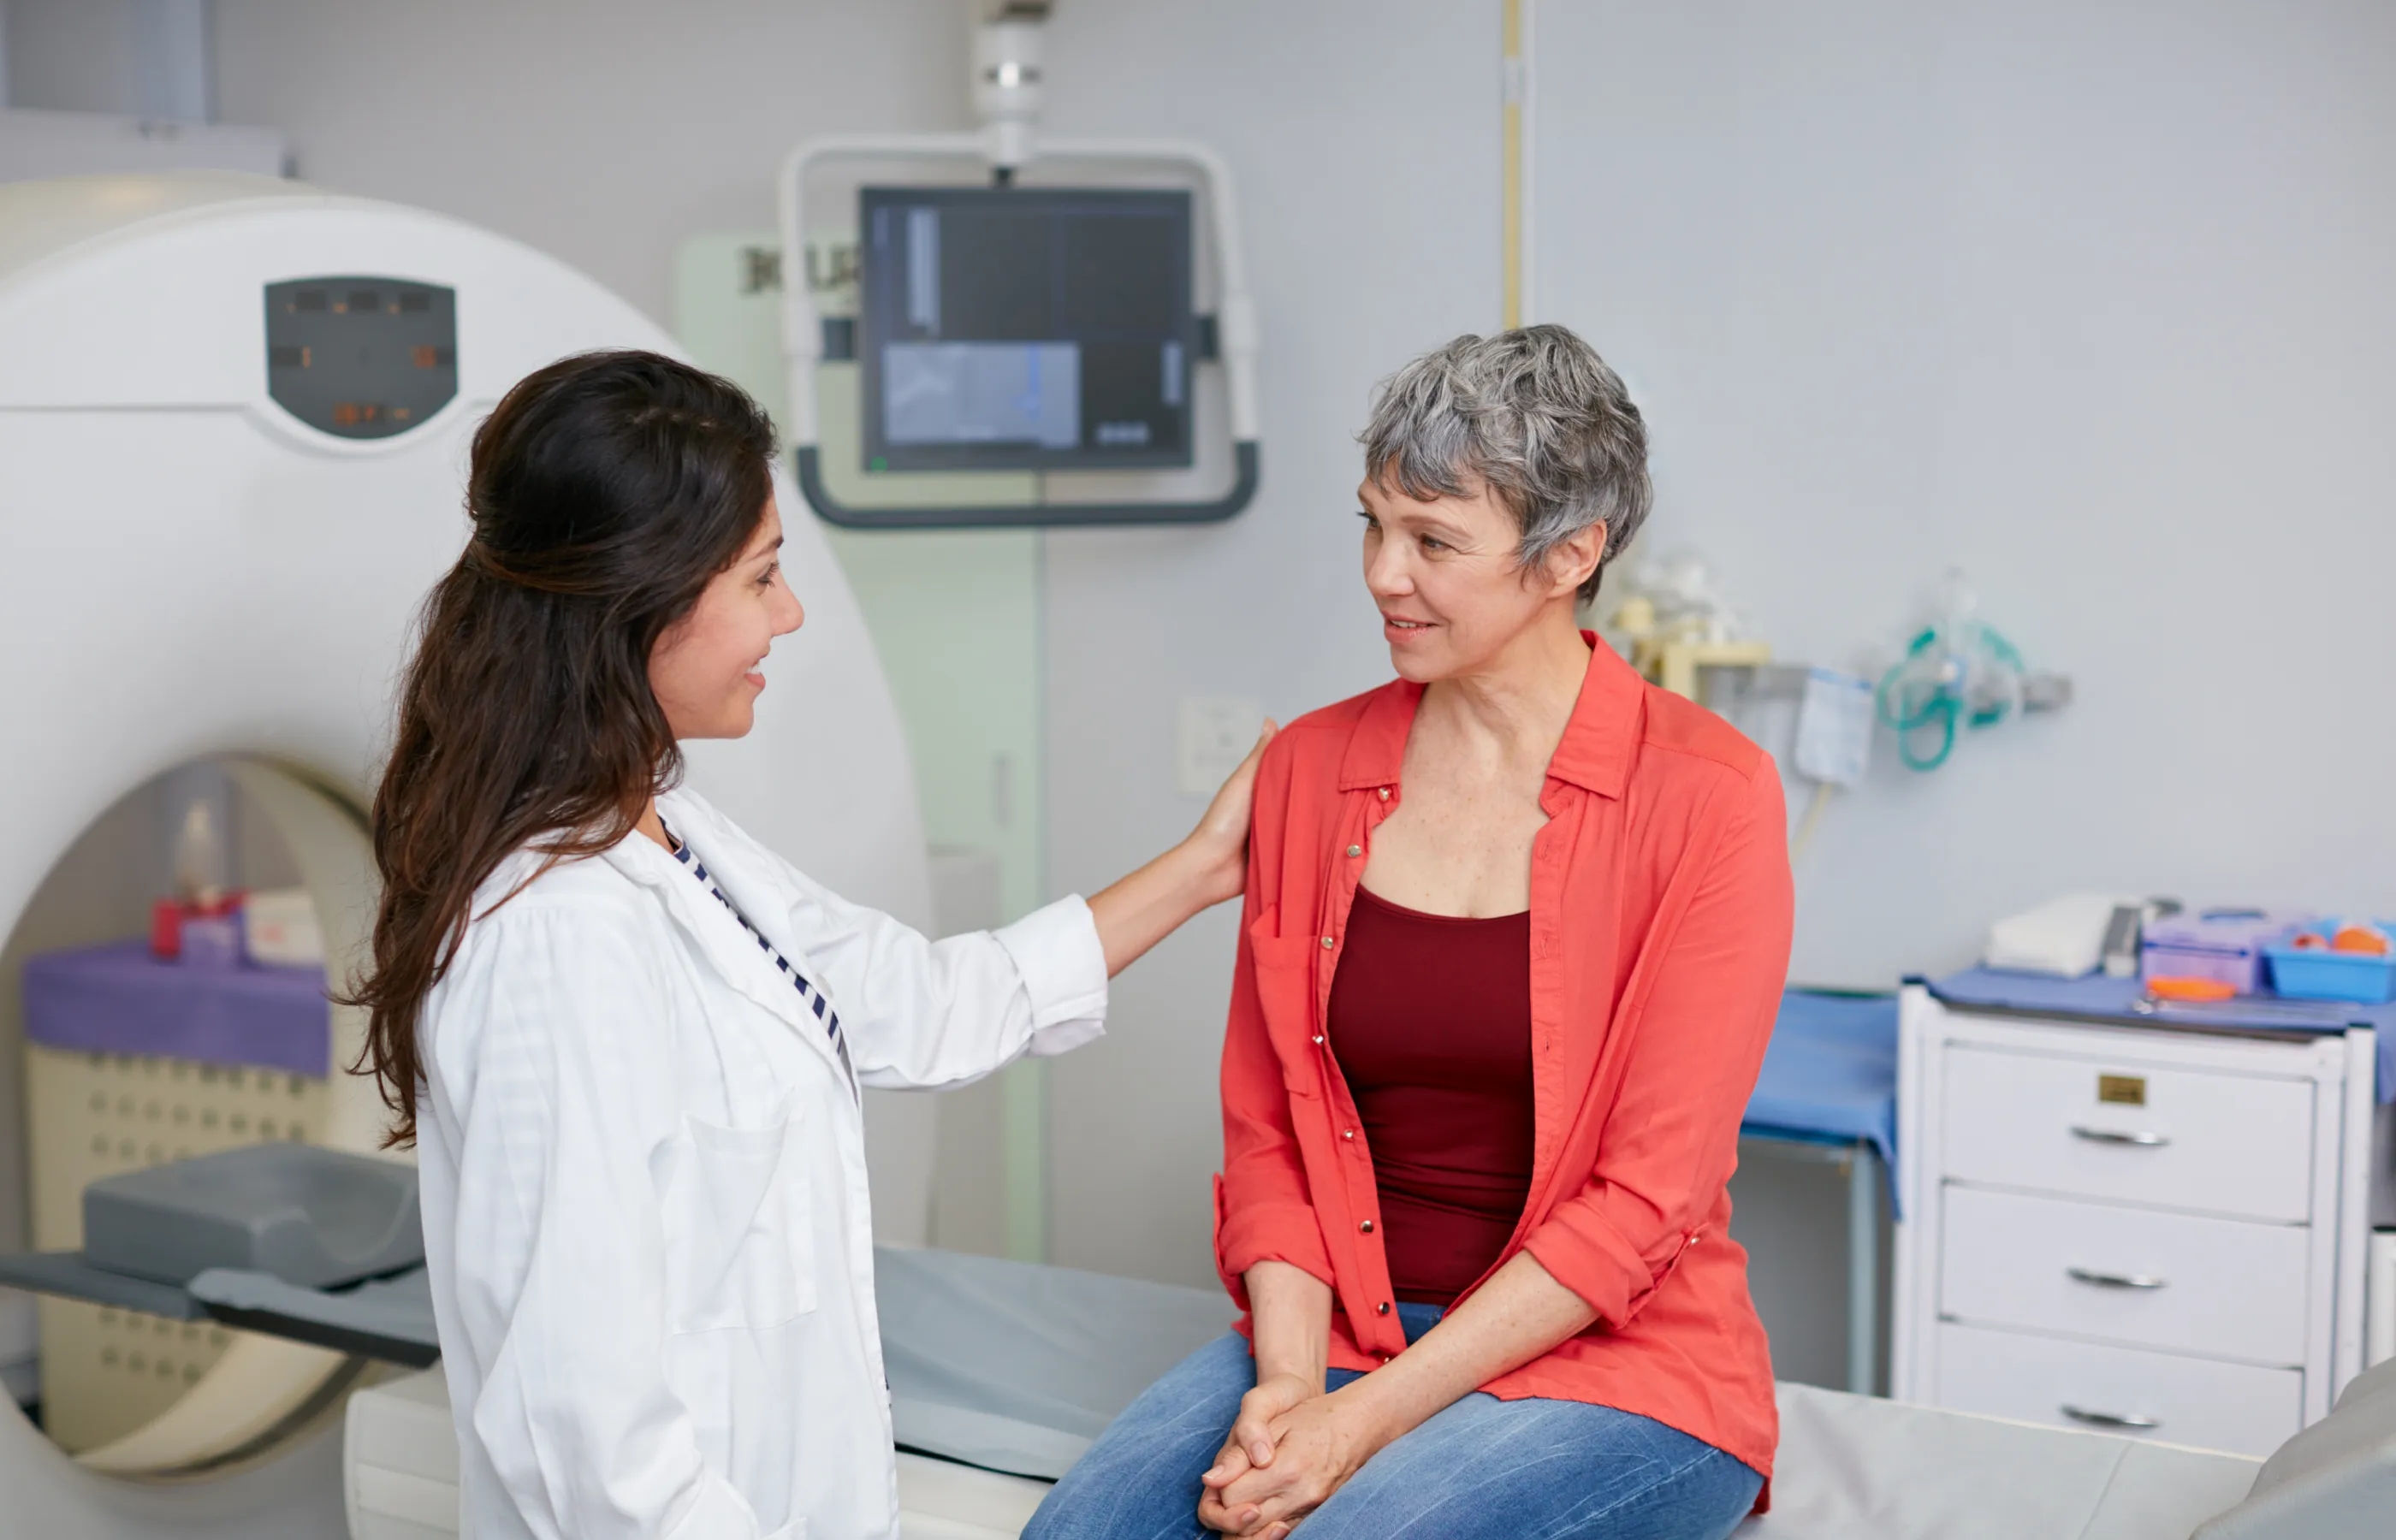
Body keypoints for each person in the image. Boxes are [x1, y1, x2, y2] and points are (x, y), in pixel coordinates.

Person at [343, 351, 1267, 1540]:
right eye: (762, 577)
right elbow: (586, 1434)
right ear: (644, 596)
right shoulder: (555, 937)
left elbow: (928, 1001)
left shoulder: (668, 833)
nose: (789, 612)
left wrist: (1204, 869)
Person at [1024, 325, 1793, 1540]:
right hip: (1336, 1329)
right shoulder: (1313, 768)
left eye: (1434, 541)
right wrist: (1289, 1385)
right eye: (1374, 526)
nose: (1385, 574)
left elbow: (1649, 1201)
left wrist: (1362, 1425)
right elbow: (1270, 1130)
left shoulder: (1708, 794)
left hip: (1615, 1360)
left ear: (1570, 555)